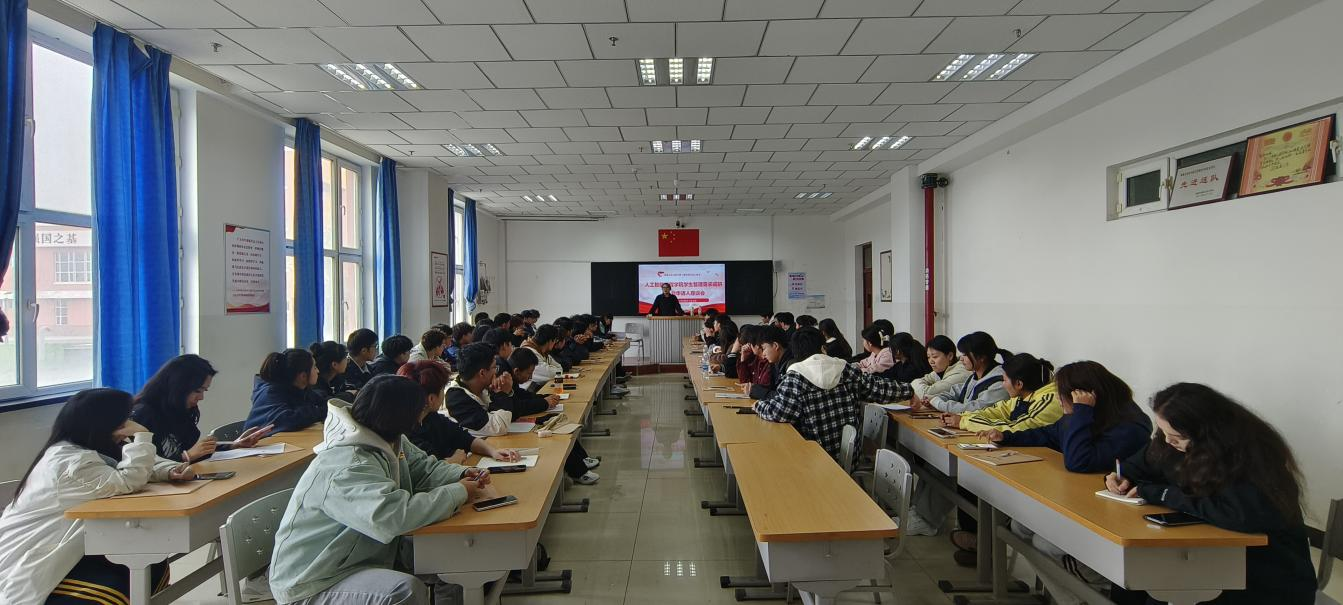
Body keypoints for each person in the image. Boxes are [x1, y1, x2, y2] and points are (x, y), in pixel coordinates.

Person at [268, 375, 490, 605]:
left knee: (455, 559)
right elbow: (392, 516)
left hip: (363, 555)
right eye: (418, 411)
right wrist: (458, 492)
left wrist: (460, 474)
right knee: (403, 592)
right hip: (317, 580)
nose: (420, 418)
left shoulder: (388, 438)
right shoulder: (346, 465)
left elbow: (423, 469)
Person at [1104, 383, 1315, 605]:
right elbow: (1140, 464)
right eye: (1163, 432)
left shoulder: (1248, 456)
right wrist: (1122, 476)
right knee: (1132, 578)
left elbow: (1237, 514)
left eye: (1176, 436)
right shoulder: (1172, 443)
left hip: (1263, 574)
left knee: (1159, 587)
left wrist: (1162, 494)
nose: (1167, 441)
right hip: (1209, 555)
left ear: (1204, 433)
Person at [978, 361, 1153, 603]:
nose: (1059, 401)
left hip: (1113, 519)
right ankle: (1072, 598)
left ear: (1085, 396)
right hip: (1084, 503)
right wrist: (1006, 437)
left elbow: (1078, 461)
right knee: (1020, 526)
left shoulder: (1130, 426)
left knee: (1045, 544)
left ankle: (1092, 592)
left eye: (1062, 395)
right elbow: (1048, 434)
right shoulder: (1089, 415)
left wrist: (1080, 412)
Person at [0, 389, 195, 605]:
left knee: (152, 562)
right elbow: (128, 480)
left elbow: (129, 465)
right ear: (103, 423)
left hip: (77, 544)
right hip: (35, 553)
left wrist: (170, 471)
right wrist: (142, 434)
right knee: (128, 572)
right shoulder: (70, 464)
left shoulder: (88, 446)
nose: (128, 424)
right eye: (124, 420)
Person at [940, 353, 1060, 556]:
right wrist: (964, 417)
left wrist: (965, 422)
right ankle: (981, 543)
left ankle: (985, 545)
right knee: (972, 481)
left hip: (1043, 471)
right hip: (1022, 458)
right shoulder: (1023, 396)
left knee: (983, 486)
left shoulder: (1049, 400)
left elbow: (1017, 427)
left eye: (1004, 380)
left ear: (1019, 384)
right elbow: (997, 411)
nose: (1003, 385)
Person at [754, 328, 911, 457]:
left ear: (796, 353)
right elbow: (879, 388)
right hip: (848, 457)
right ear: (823, 348)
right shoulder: (845, 370)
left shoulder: (795, 378)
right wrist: (910, 391)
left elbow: (780, 413)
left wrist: (758, 405)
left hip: (810, 456)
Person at [131, 354, 269, 463]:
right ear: (178, 387)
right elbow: (143, 467)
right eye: (197, 391)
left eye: (204, 391)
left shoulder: (180, 410)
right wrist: (187, 457)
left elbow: (190, 450)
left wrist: (233, 445)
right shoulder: (143, 415)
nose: (201, 397)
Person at [399, 360, 522, 464]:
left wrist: (493, 451)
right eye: (442, 389)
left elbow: (463, 438)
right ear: (431, 399)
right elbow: (428, 468)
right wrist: (453, 461)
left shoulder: (431, 417)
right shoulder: (406, 434)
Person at [925, 331, 1010, 414]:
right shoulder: (974, 376)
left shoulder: (1000, 381)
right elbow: (956, 393)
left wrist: (938, 403)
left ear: (981, 357)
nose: (961, 359)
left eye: (965, 355)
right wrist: (936, 398)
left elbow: (974, 410)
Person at [244, 348, 327, 433]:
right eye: (314, 367)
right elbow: (288, 421)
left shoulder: (299, 388)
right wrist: (318, 411)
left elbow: (324, 403)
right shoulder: (271, 392)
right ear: (303, 376)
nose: (318, 371)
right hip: (262, 440)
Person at [444, 343, 516, 436]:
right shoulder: (456, 399)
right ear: (482, 373)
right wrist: (502, 394)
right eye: (495, 367)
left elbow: (511, 414)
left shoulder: (480, 387)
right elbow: (498, 428)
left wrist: (504, 392)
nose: (497, 372)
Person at [909, 335, 971, 405]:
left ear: (950, 356)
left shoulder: (960, 373)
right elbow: (919, 383)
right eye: (928, 357)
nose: (931, 361)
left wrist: (916, 384)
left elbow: (926, 393)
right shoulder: (942, 369)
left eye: (935, 357)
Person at [740, 325, 788, 400]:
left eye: (764, 348)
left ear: (775, 346)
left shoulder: (789, 367)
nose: (764, 353)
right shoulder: (777, 363)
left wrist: (755, 391)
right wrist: (754, 388)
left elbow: (783, 399)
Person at [520, 324, 564, 389]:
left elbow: (559, 368)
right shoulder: (529, 351)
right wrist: (552, 368)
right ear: (550, 341)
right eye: (555, 340)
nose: (555, 343)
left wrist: (551, 368)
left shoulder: (542, 350)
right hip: (529, 390)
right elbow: (551, 374)